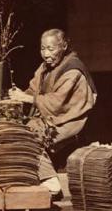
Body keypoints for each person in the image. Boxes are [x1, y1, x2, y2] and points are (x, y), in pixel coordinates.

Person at [9, 29, 97, 195]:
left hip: (69, 121)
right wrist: (18, 96)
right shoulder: (45, 66)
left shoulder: (73, 70)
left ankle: (51, 181)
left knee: (27, 139)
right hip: (50, 117)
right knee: (17, 132)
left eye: (51, 49)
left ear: (63, 46)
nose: (46, 54)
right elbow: (33, 89)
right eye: (43, 49)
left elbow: (58, 103)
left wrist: (30, 99)